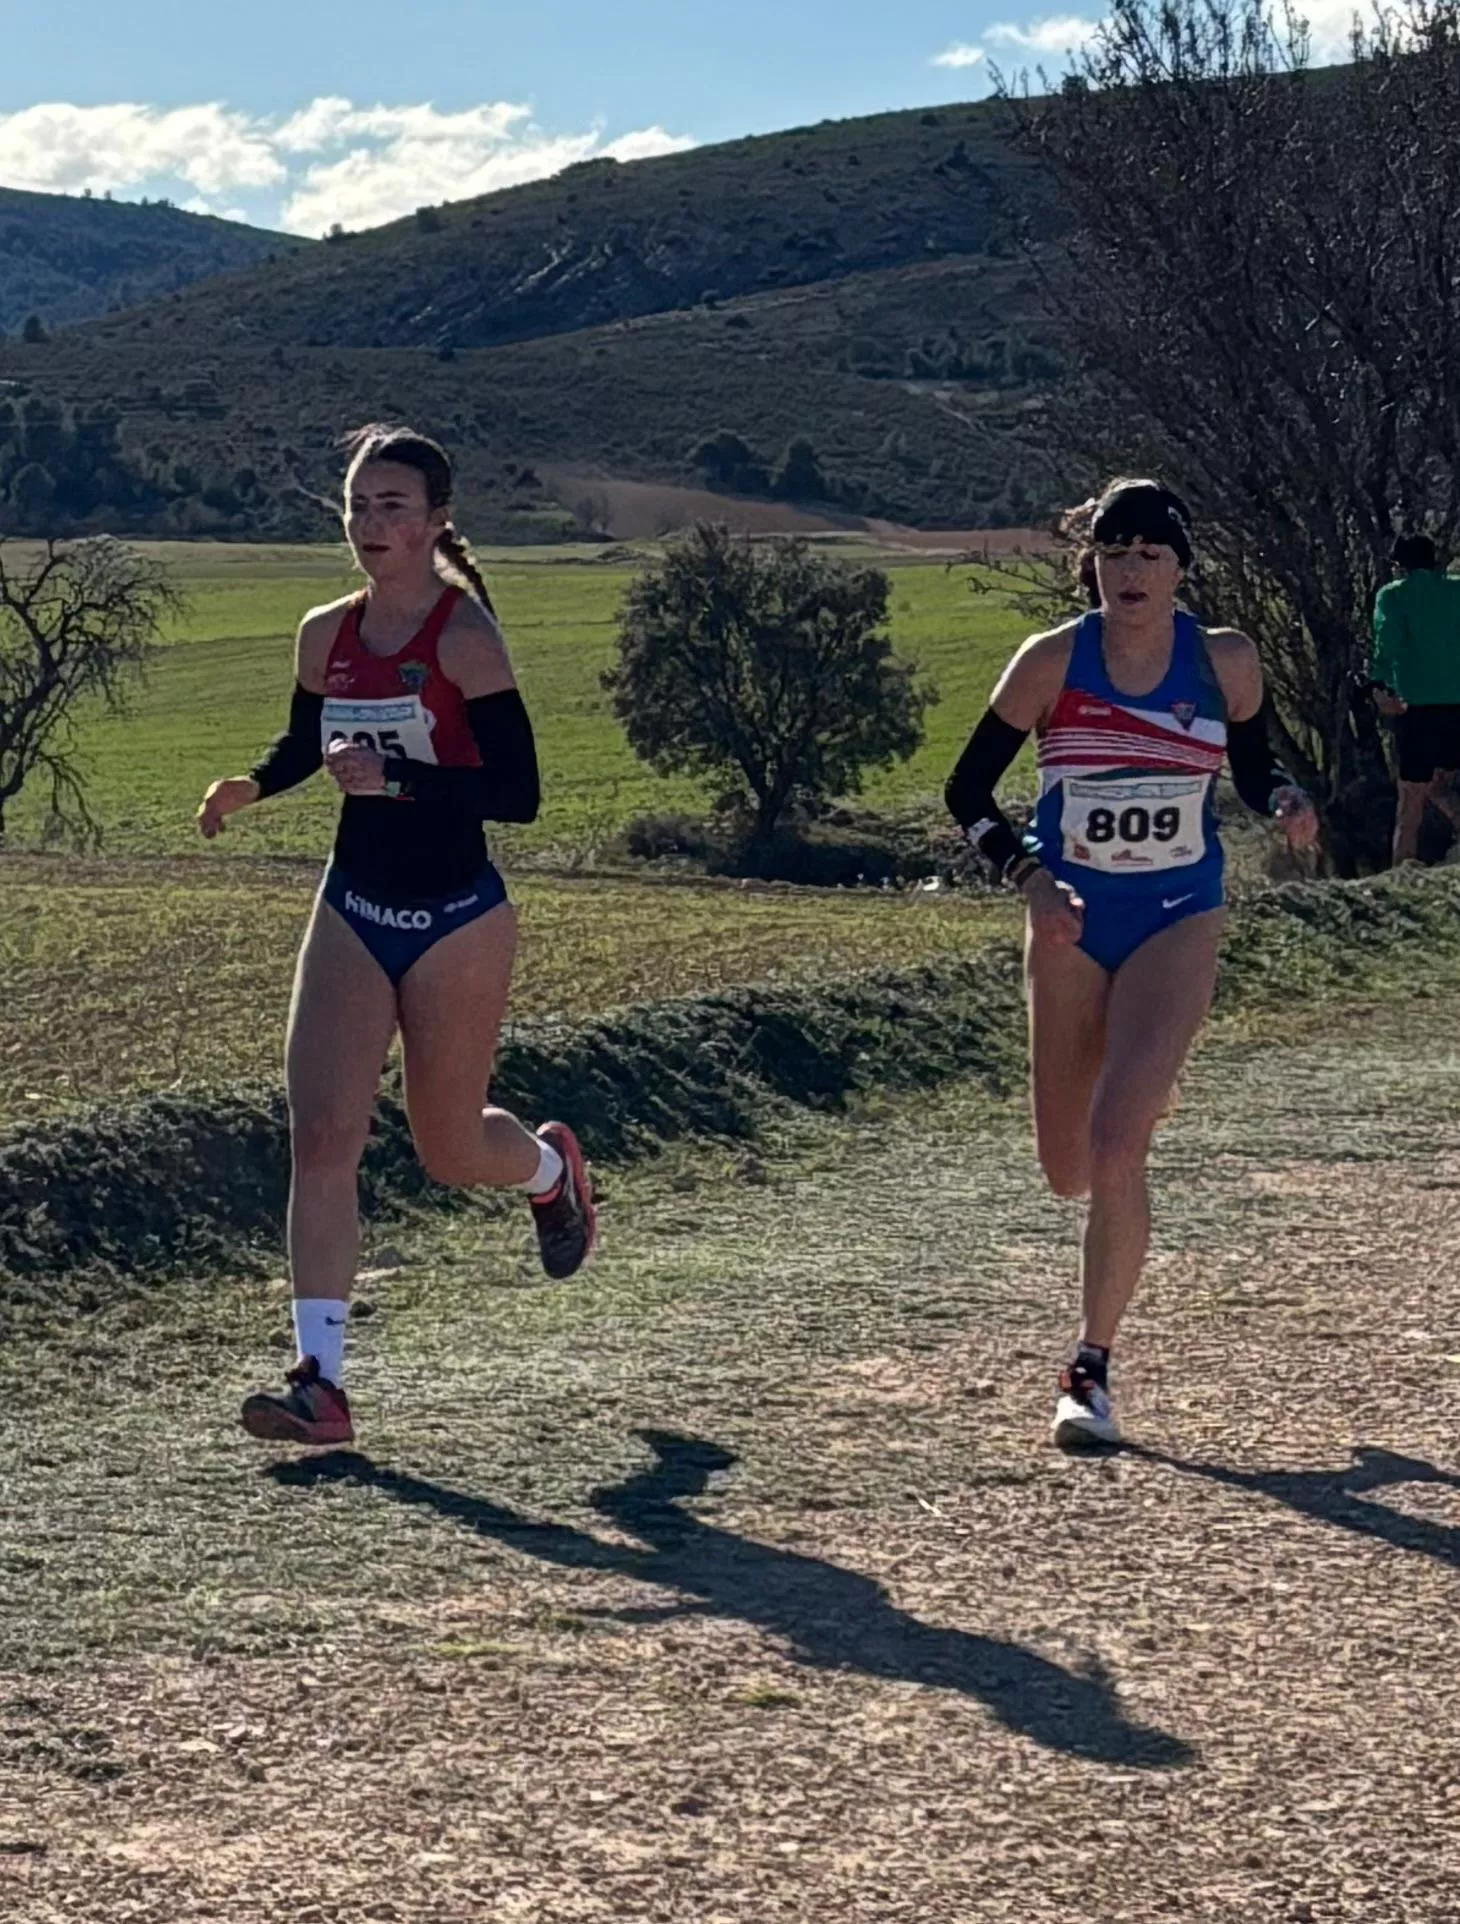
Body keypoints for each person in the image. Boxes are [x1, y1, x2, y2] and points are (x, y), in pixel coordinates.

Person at [197, 425, 596, 1447]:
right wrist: (252, 782)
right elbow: (308, 739)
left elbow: (519, 794)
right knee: (323, 1133)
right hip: (352, 904)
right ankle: (318, 1383)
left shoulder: (464, 640)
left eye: (392, 507)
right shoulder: (323, 631)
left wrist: (401, 779)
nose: (371, 526)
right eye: (358, 506)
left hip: (459, 916)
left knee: (450, 1148)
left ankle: (548, 1170)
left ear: (433, 523)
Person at [945, 479, 1318, 1448]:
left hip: (1175, 915)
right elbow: (966, 789)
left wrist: (1282, 800)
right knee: (1066, 1168)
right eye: (1113, 552)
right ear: (1092, 565)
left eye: (1150, 553)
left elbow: (1247, 766)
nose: (1130, 570)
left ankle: (1089, 1368)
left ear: (1181, 566)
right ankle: (1130, 1091)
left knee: (1116, 1145)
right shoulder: (1050, 662)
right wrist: (1025, 878)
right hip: (1069, 922)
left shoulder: (1224, 661)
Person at [1369, 533, 1460, 866]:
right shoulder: (1456, 590)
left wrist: (1377, 684)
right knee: (1441, 786)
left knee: (1410, 802)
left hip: (1418, 706)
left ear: (1399, 566)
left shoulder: (1393, 596)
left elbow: (1386, 643)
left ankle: (1401, 874)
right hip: (1458, 703)